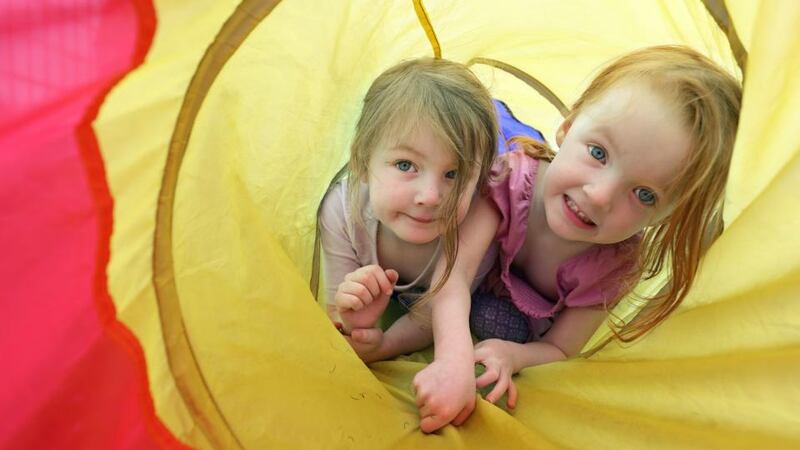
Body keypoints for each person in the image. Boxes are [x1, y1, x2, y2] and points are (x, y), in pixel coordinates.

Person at [401, 45, 742, 432]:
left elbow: (561, 348)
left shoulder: (613, 267)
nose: (599, 195)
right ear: (569, 124)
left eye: (645, 194)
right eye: (598, 152)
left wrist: (516, 356)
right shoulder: (510, 183)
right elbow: (453, 276)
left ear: (669, 214)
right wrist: (452, 361)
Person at [319, 57, 499, 365]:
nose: (430, 197)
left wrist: (385, 346)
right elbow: (339, 311)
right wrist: (355, 322)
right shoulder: (342, 212)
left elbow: (435, 316)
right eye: (406, 165)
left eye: (453, 174)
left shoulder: (475, 229)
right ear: (363, 161)